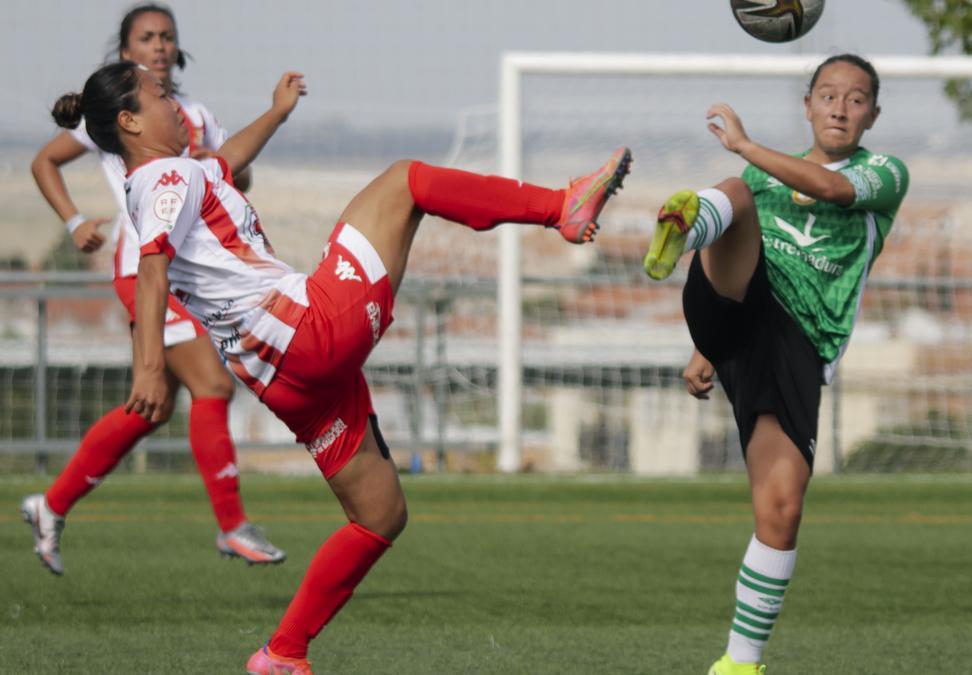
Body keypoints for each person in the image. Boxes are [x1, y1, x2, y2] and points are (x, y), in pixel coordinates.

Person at [55, 59, 630, 673]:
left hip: (283, 382)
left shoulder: (179, 175)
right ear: (129, 121)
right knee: (404, 181)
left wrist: (276, 112)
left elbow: (224, 163)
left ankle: (283, 652)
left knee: (379, 515)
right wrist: (148, 367)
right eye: (162, 96)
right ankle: (561, 206)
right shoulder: (167, 174)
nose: (177, 106)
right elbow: (152, 265)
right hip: (310, 333)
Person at [642, 54, 908, 675]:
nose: (841, 107)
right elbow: (755, 181)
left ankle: (740, 665)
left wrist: (747, 144)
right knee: (736, 193)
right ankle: (687, 222)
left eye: (856, 98)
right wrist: (706, 344)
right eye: (828, 95)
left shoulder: (886, 174)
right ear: (808, 104)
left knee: (781, 508)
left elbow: (833, 189)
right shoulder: (757, 175)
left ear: (872, 114)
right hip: (737, 306)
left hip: (797, 342)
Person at [21, 3, 285, 575]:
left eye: (167, 37)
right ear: (126, 53)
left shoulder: (193, 114)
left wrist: (229, 174)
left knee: (153, 406)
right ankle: (232, 526)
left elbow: (230, 173)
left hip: (192, 274)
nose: (160, 46)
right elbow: (45, 161)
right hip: (147, 269)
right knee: (212, 385)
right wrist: (73, 222)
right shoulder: (123, 111)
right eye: (147, 38)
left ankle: (51, 504)